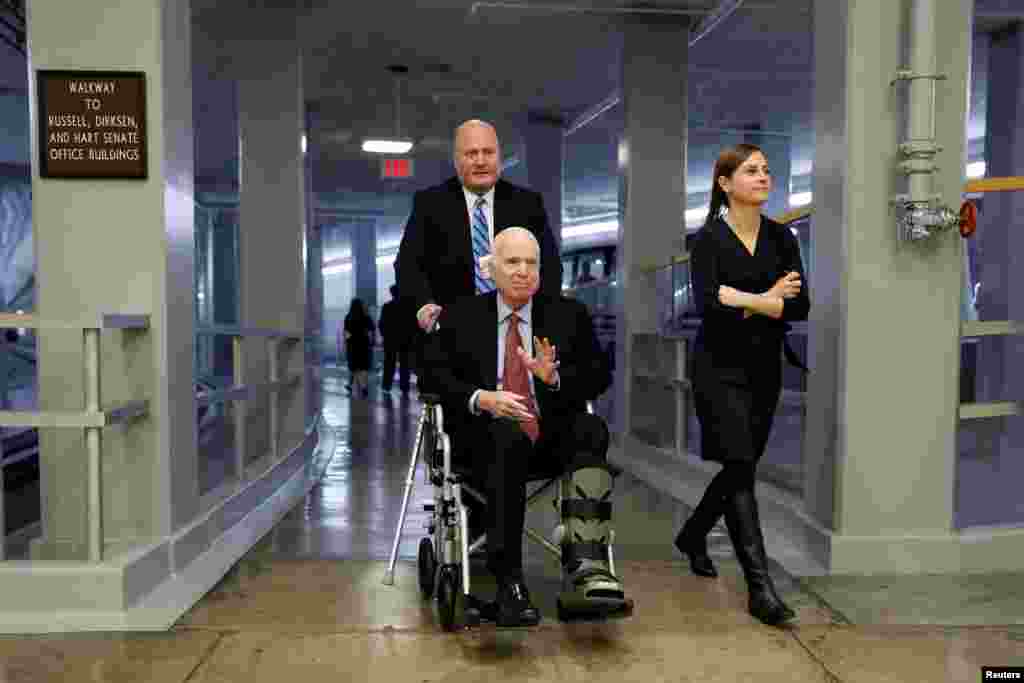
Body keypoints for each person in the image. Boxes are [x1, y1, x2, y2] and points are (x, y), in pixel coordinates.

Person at [423, 227, 632, 627]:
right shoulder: (462, 317)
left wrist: (553, 379)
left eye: (531, 263)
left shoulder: (568, 315)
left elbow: (599, 376)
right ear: (492, 269)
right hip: (485, 441)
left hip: (546, 436)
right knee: (505, 436)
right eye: (512, 262)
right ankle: (509, 582)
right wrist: (482, 398)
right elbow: (432, 379)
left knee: (590, 429)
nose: (522, 271)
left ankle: (587, 569)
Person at [673, 143, 810, 627]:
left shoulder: (782, 239)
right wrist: (769, 297)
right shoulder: (707, 239)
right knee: (740, 468)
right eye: (751, 170)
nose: (763, 176)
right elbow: (710, 306)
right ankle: (760, 588)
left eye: (766, 170)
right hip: (718, 369)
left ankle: (693, 534)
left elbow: (799, 306)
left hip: (764, 370)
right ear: (725, 184)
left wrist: (749, 299)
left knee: (739, 466)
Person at [394, 119, 562, 337]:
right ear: (456, 160)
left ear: (499, 156)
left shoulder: (527, 205)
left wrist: (538, 317)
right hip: (450, 335)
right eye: (471, 154)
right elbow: (407, 266)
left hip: (515, 333)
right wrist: (423, 307)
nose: (481, 161)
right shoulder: (430, 205)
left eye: (488, 152)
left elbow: (550, 268)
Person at [378, 285, 414, 393]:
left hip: (390, 340)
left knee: (389, 363)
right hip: (405, 339)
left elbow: (381, 324)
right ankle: (404, 387)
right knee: (404, 364)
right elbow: (411, 324)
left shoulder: (387, 307)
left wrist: (384, 335)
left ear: (391, 293)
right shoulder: (407, 307)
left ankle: (386, 386)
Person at [343, 298, 374, 397]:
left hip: (352, 343)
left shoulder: (348, 317)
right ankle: (364, 387)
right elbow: (372, 329)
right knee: (363, 367)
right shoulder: (366, 317)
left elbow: (346, 332)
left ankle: (350, 384)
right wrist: (372, 340)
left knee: (354, 366)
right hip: (364, 343)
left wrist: (346, 342)